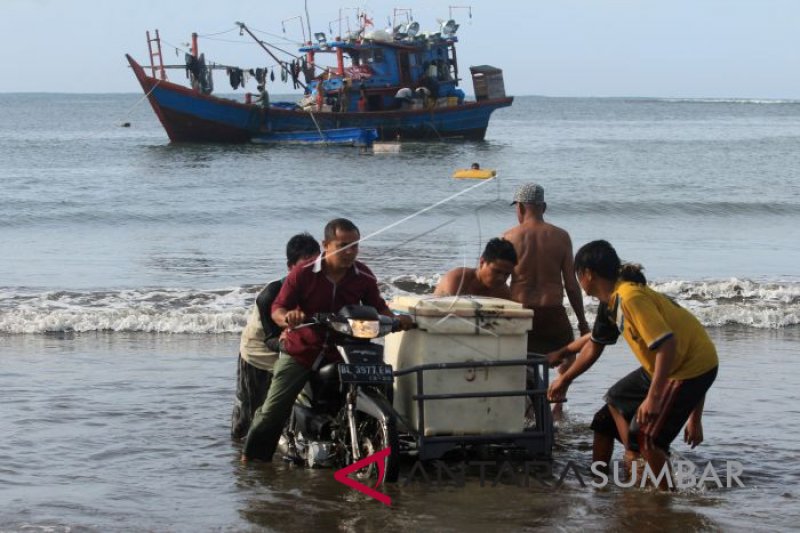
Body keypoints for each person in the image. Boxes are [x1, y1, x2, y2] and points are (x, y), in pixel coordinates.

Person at [547, 240, 718, 489]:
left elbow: (669, 346)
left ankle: (665, 499)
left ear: (587, 274)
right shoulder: (612, 301)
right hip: (670, 363)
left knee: (648, 438)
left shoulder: (630, 297)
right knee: (606, 417)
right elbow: (594, 343)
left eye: (576, 275)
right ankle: (601, 483)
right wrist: (563, 360)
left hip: (686, 369)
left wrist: (657, 398)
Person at [241, 218, 413, 462]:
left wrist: (400, 320)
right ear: (326, 245)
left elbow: (378, 308)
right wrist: (288, 317)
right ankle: (251, 459)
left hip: (342, 351)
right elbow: (278, 307)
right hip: (302, 350)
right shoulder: (303, 274)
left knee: (380, 383)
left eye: (355, 246)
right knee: (273, 410)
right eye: (343, 245)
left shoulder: (363, 276)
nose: (350, 252)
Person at [503, 183, 590, 416]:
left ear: (520, 207)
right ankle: (557, 404)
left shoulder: (509, 237)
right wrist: (582, 321)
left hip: (521, 313)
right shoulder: (561, 237)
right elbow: (571, 284)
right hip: (552, 311)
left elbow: (499, 281)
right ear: (544, 207)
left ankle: (530, 409)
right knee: (568, 357)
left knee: (522, 363)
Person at [230, 233, 320, 440]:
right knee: (249, 412)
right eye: (306, 266)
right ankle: (242, 458)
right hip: (258, 352)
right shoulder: (270, 294)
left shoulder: (321, 288)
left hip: (295, 348)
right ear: (290, 267)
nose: (313, 272)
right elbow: (270, 339)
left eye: (317, 265)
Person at [433, 238, 517, 299]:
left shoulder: (502, 293)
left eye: (507, 274)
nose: (501, 278)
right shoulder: (457, 280)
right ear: (482, 262)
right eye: (496, 271)